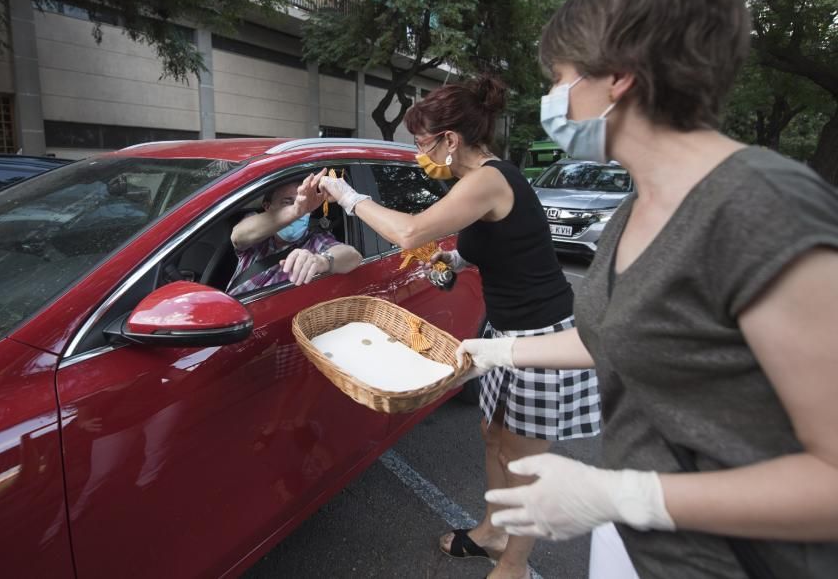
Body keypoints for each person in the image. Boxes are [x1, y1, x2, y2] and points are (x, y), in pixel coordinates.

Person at [458, 0, 838, 579]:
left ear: (619, 76)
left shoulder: (763, 208)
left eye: (561, 77)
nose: (554, 99)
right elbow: (614, 334)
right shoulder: (639, 203)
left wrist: (625, 496)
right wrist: (492, 354)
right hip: (637, 545)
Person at [319, 76, 601, 579]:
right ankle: (493, 530)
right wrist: (445, 259)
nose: (418, 154)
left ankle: (514, 564)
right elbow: (476, 249)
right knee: (492, 434)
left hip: (541, 340)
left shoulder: (490, 179)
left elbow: (407, 231)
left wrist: (346, 196)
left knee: (525, 463)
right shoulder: (483, 183)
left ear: (450, 140)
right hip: (506, 336)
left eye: (422, 143)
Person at [227, 171, 362, 295]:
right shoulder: (257, 228)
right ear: (267, 207)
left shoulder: (314, 241)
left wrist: (321, 260)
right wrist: (295, 211)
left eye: (305, 205)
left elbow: (353, 256)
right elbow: (238, 237)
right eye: (287, 202)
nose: (301, 211)